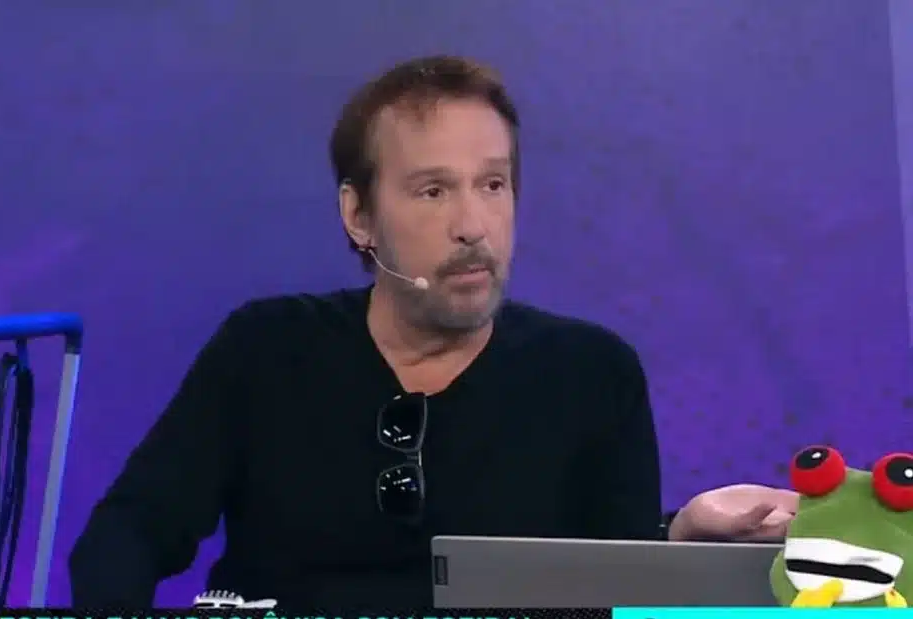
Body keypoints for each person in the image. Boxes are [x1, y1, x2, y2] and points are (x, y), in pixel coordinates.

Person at [69, 55, 798, 609]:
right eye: (433, 190)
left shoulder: (591, 372)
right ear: (359, 215)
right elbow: (126, 534)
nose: (473, 225)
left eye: (493, 184)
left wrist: (681, 536)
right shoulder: (266, 349)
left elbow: (614, 571)